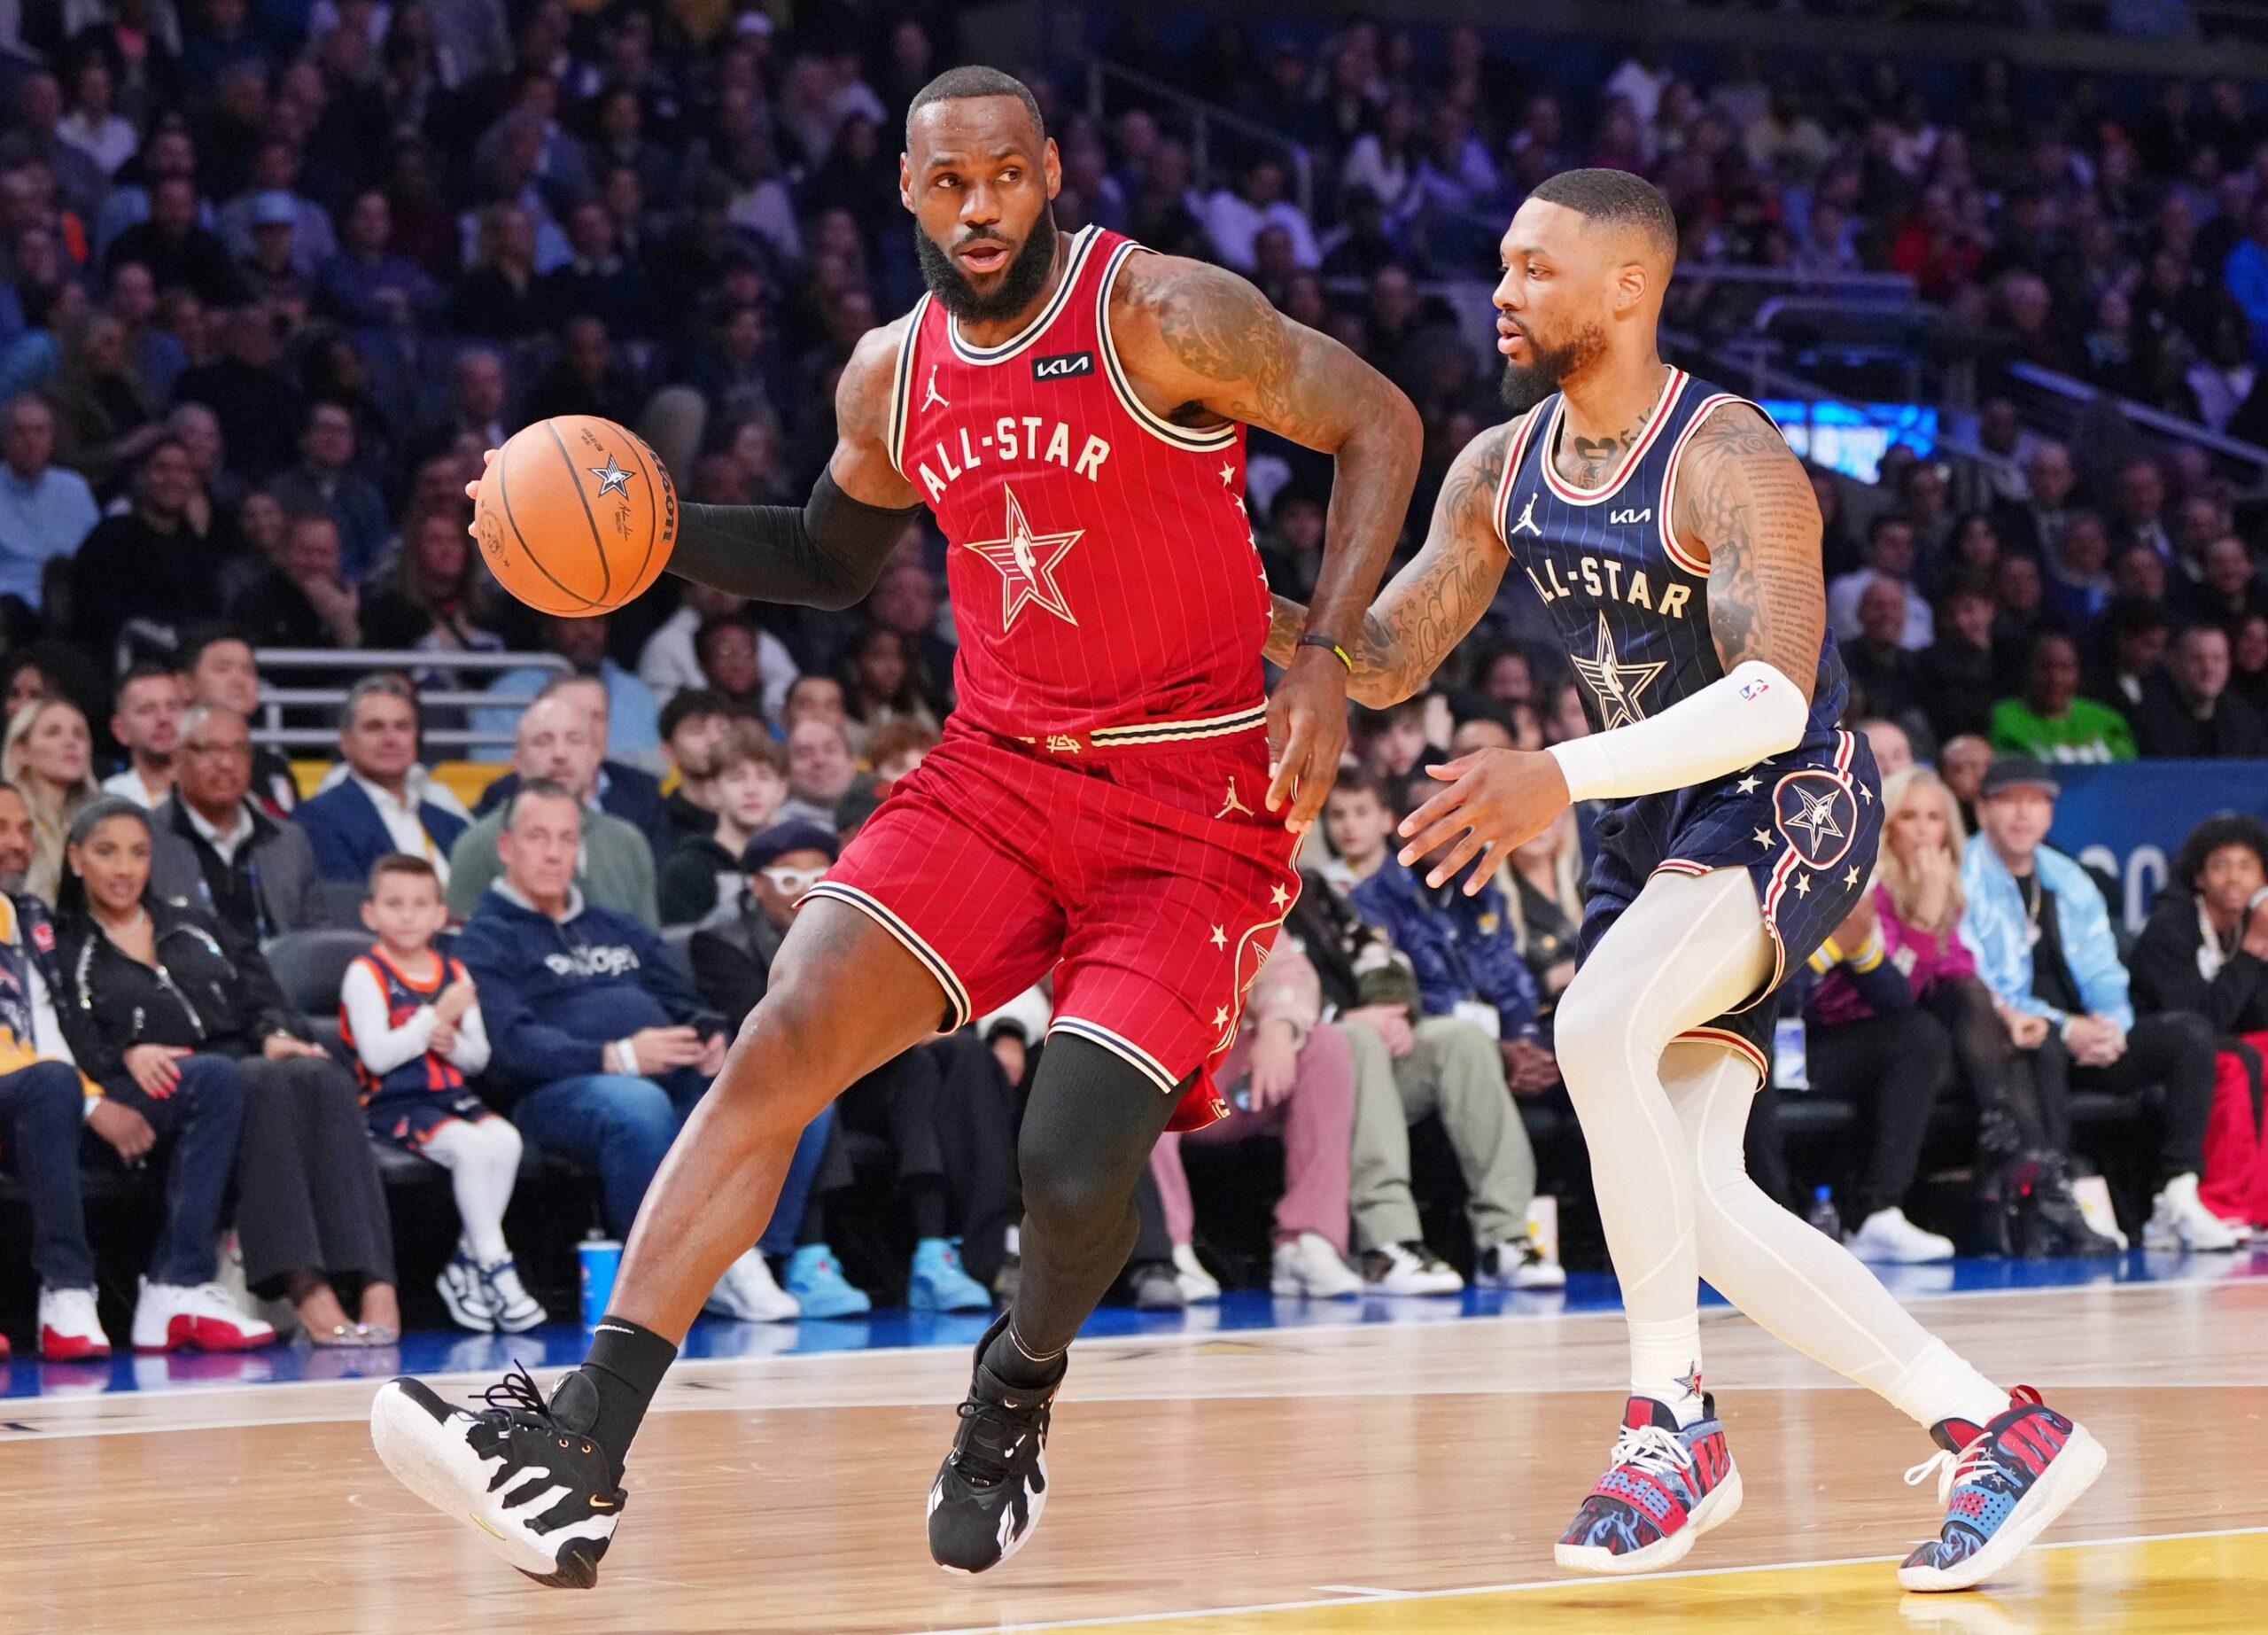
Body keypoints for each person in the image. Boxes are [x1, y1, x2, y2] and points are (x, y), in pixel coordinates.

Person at [373, 66, 1416, 1585]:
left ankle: (1011, 1398)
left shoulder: (1169, 314)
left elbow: (1377, 420)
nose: (980, 208)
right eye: (949, 183)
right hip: (993, 777)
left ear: (1050, 171)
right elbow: (827, 554)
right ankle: (581, 1443)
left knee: (1068, 1173)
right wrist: (646, 538)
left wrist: (1323, 654)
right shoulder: (892, 375)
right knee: (785, 1029)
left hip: (1192, 802)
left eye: (1005, 177)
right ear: (909, 192)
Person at [1263, 171, 2100, 1590]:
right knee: (1700, 1198)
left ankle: (1672, 1421)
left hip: (1786, 801)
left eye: (1536, 269)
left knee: (1594, 1027)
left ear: (1628, 288)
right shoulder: (1501, 468)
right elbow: (1388, 658)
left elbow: (1775, 694)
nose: (1505, 292)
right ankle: (1994, 1429)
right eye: (1505, 267)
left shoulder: (1731, 457)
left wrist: (1555, 775)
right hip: (1648, 830)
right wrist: (1233, 604)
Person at [57, 798, 396, 1345]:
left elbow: (265, 995)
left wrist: (276, 1034)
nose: (124, 869)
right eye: (106, 852)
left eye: (138, 853)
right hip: (148, 1085)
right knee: (252, 1082)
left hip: (232, 1067)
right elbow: (63, 1029)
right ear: (76, 858)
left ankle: (378, 1281)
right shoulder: (66, 943)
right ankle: (305, 1286)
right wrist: (124, 1053)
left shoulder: (197, 926)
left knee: (319, 1072)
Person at [447, 782, 789, 1322]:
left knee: (783, 1089)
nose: (554, 851)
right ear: (507, 847)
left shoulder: (616, 926)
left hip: (662, 1071)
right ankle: (660, 1284)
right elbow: (509, 1046)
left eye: (566, 837)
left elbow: (683, 998)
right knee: (637, 1106)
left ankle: (740, 1254)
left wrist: (709, 1035)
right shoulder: (483, 940)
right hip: (551, 1095)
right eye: (538, 837)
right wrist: (614, 1055)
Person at [692, 821, 1014, 1314]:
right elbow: (761, 1019)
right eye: (787, 879)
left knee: (920, 1066)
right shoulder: (718, 942)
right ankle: (809, 1258)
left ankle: (935, 1251)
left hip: (858, 1065)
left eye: (817, 875)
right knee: (814, 1073)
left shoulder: (851, 926)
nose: (804, 890)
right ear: (756, 886)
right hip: (784, 1075)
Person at [0, 783, 261, 1360]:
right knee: (50, 1084)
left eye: (23, 829)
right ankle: (66, 1287)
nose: (16, 844)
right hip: (33, 1094)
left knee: (215, 1079)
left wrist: (90, 1098)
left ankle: (178, 1286)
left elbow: (43, 1026)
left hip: (41, 1097)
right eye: (2, 829)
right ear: (76, 858)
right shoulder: (67, 932)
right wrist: (92, 1100)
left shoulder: (22, 916)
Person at [1962, 756, 2233, 1251]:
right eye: (2009, 801)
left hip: (2088, 1040)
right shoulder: (1964, 877)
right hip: (2017, 1039)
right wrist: (2066, 1028)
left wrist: (2113, 1026)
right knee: (2040, 1044)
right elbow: (1981, 983)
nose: (2023, 814)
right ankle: (2058, 1196)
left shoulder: (2069, 879)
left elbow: (2105, 971)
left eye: (2035, 801)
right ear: (1982, 812)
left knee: (2189, 1035)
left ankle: (2176, 1192)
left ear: (2049, 814)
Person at [1867, 767, 2114, 1257]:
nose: (1922, 829)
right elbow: (1897, 991)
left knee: (2029, 1045)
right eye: (1909, 816)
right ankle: (2040, 1184)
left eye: (1934, 817)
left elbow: (1965, 967)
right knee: (1957, 1002)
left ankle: (2044, 1187)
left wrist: (2009, 1015)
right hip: (1884, 1047)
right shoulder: (1869, 888)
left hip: (1944, 1049)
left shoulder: (1947, 884)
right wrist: (1924, 915)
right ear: (1888, 824)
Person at [342, 854, 542, 1334]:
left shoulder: (454, 972)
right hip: (391, 1103)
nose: (407, 916)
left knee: (507, 1140)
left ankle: (465, 1265)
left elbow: (479, 1058)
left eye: (420, 904)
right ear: (370, 913)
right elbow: (376, 1058)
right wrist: (434, 1018)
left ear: (440, 914)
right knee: (472, 1147)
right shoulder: (365, 973)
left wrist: (454, 1044)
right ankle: (496, 1267)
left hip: (450, 1096)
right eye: (394, 904)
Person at [1148, 941, 1363, 1296]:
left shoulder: (1233, 890)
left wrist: (1278, 1027)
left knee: (1324, 1044)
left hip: (1223, 1071)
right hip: (1151, 1047)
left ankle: (1305, 1243)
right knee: (1139, 1054)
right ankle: (1170, 1248)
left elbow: (1283, 962)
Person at [2125, 813, 2268, 1234]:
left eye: (2247, 868)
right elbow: (2199, 1024)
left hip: (2217, 1036)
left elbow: (2257, 1015)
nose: (2234, 879)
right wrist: (2253, 950)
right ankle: (2219, 1202)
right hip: (2159, 1047)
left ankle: (2258, 1203)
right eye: (2221, 866)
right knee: (2237, 1061)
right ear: (2200, 877)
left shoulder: (2251, 923)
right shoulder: (2171, 926)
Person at [447, 696, 659, 923]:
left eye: (574, 740)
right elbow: (461, 948)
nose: (560, 754)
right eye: (542, 741)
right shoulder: (477, 845)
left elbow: (650, 947)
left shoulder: (628, 842)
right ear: (518, 760)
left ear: (595, 755)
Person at [149, 703, 331, 937]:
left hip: (279, 970)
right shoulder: (148, 839)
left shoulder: (288, 842)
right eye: (211, 749)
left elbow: (315, 941)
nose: (227, 763)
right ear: (177, 760)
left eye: (239, 749)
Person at [296, 675, 470, 891]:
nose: (390, 739)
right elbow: (344, 912)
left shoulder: (450, 824)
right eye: (374, 727)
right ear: (345, 742)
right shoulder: (319, 819)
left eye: (402, 727)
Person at [659, 721, 786, 925]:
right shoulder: (686, 871)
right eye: (737, 778)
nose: (751, 790)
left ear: (782, 789)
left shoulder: (803, 864)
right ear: (713, 793)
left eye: (763, 777)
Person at [0, 394, 99, 611]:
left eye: (39, 431)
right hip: (10, 603)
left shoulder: (74, 487)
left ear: (52, 438)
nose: (31, 440)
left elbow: (95, 554)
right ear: (4, 439)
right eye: (20, 431)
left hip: (73, 599)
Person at [4, 694, 100, 902]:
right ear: (22, 752)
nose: (70, 742)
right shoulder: (9, 816)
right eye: (53, 732)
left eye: (79, 734)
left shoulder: (97, 823)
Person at [1989, 631, 2137, 764]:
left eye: (2065, 668)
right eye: (2045, 668)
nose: (2056, 679)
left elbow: (2128, 779)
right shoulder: (2007, 721)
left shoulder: (2108, 722)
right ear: (2028, 671)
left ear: (2078, 673)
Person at [2132, 623, 2268, 759]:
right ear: (2175, 664)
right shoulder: (2148, 722)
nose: (2208, 669)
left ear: (2228, 664)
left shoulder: (2245, 723)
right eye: (2196, 659)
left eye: (2217, 659)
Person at [100, 662, 184, 808]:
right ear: (120, 730)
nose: (164, 718)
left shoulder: (215, 787)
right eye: (147, 709)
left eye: (173, 707)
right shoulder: (111, 800)